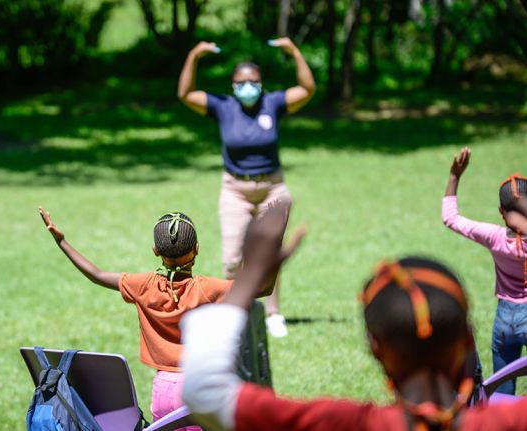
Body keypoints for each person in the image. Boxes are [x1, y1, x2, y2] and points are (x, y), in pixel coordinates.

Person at [180, 204, 527, 431]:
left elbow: (205, 392)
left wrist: (250, 277)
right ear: (468, 340)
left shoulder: (344, 424)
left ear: (373, 346)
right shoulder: (511, 422)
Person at [38, 207, 288, 428]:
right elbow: (263, 287)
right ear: (197, 249)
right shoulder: (209, 289)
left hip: (164, 393)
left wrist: (62, 242)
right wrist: (275, 238)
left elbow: (97, 274)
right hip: (202, 387)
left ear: (156, 250)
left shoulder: (143, 285)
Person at [177, 37, 316, 337]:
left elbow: (307, 89)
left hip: (273, 189)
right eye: (241, 82)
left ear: (262, 83)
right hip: (235, 191)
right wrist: (194, 55)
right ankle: (236, 312)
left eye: (253, 81)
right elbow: (185, 93)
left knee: (268, 256)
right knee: (232, 261)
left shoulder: (273, 104)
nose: (248, 87)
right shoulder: (223, 107)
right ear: (233, 86)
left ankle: (272, 313)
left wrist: (294, 52)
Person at [442, 146, 527, 395]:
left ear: (502, 213)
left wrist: (454, 176)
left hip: (504, 321)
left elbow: (450, 218)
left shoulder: (493, 236)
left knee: (501, 391)